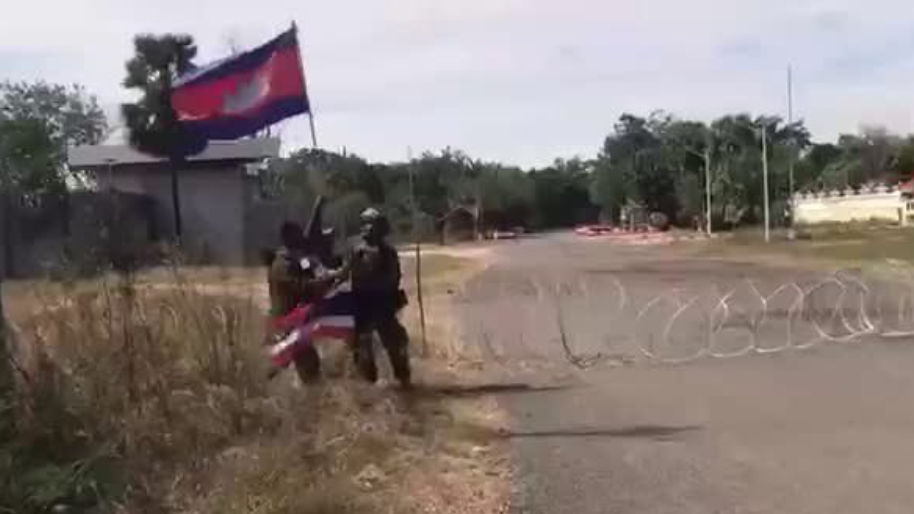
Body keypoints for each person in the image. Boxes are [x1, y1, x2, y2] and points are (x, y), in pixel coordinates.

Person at [266, 221, 346, 383]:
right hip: (287, 321)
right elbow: (302, 286)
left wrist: (330, 273)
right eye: (298, 235)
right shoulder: (283, 264)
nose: (302, 237)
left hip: (296, 320)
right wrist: (328, 279)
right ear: (289, 238)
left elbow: (311, 268)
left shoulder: (298, 259)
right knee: (308, 368)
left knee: (291, 363)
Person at [349, 207, 411, 388]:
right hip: (362, 306)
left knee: (397, 343)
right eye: (365, 224)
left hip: (383, 304)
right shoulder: (355, 250)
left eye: (371, 224)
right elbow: (345, 273)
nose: (367, 228)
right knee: (362, 347)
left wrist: (377, 284)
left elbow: (393, 278)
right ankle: (367, 385)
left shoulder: (388, 252)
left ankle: (403, 379)